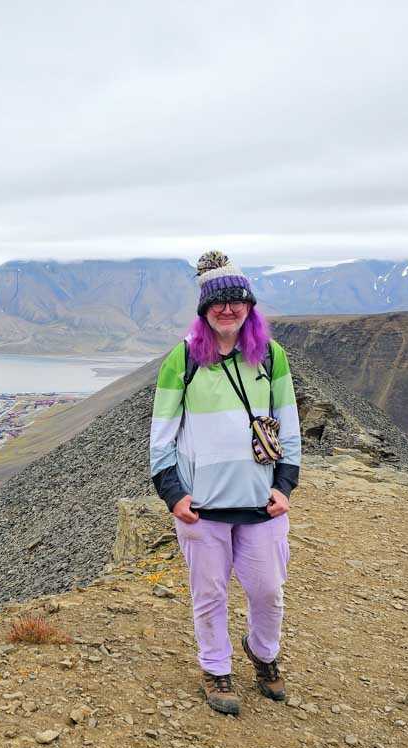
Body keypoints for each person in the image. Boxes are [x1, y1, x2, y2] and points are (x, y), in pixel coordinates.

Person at [149, 250, 302, 715]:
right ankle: (216, 669)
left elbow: (289, 425)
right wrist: (174, 494)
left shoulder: (271, 356)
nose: (228, 309)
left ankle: (263, 653)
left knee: (268, 590)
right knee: (209, 594)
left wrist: (285, 486)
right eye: (218, 302)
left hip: (261, 503)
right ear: (204, 308)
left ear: (250, 306)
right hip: (203, 507)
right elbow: (162, 435)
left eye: (237, 301)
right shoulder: (183, 359)